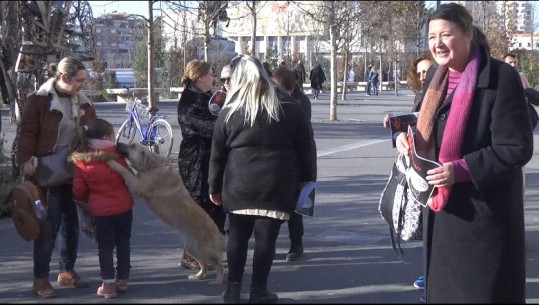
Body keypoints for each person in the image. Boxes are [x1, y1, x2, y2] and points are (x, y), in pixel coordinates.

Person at [394, 3, 533, 303]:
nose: (437, 43)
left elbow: (516, 147)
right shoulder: (435, 75)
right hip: (442, 211)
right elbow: (425, 126)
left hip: (483, 216)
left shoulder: (501, 77)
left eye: (446, 34)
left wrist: (461, 169)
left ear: (468, 33)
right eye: (432, 36)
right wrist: (405, 140)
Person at [208, 55, 317, 304]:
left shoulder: (231, 110)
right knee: (266, 240)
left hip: (238, 184)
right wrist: (308, 181)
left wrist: (214, 186)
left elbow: (218, 154)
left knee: (237, 237)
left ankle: (232, 290)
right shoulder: (289, 107)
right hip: (276, 184)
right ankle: (258, 290)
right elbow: (306, 148)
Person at [18, 56, 97, 298]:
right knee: (46, 227)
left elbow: (92, 132)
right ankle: (40, 279)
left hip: (75, 171)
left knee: (71, 224)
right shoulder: (39, 102)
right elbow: (27, 134)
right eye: (79, 80)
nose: (83, 84)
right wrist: (26, 160)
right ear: (64, 78)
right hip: (47, 174)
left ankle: (66, 271)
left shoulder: (82, 102)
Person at [71, 118, 134, 299]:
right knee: (123, 243)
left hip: (100, 212)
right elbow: (128, 178)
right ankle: (123, 279)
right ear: (107, 136)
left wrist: (83, 200)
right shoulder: (118, 155)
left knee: (105, 247)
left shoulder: (82, 159)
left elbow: (79, 189)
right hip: (123, 207)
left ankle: (108, 285)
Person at [177, 59, 225, 270]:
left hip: (209, 157)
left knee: (214, 206)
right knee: (199, 207)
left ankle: (210, 251)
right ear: (200, 77)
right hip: (196, 160)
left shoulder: (205, 97)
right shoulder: (190, 100)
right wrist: (226, 123)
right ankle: (190, 255)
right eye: (212, 74)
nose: (214, 78)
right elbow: (205, 127)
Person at [271, 67, 318, 262]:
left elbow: (301, 135)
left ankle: (296, 244)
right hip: (281, 160)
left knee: (295, 207)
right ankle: (270, 244)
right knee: (274, 206)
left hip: (296, 160)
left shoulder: (299, 102)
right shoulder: (280, 99)